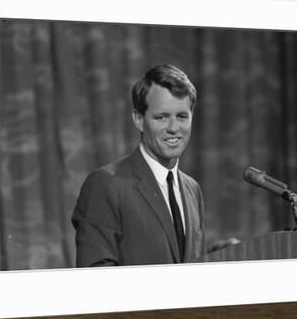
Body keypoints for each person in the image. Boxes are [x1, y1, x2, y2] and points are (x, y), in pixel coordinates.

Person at [71, 64, 206, 267]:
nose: (173, 128)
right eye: (161, 117)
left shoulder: (192, 189)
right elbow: (96, 278)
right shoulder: (106, 184)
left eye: (182, 116)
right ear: (139, 119)